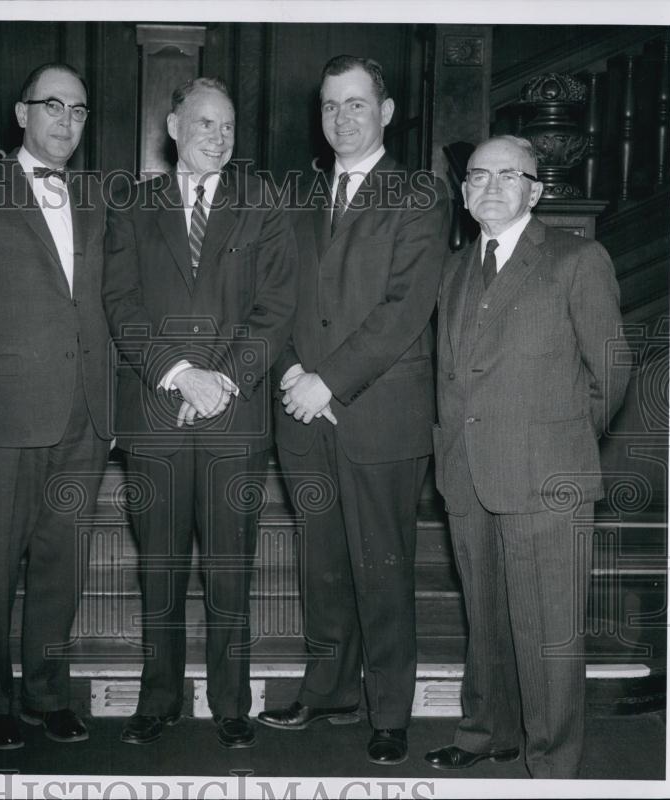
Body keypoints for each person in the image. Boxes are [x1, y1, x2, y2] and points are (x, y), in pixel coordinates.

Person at [259, 55, 449, 767]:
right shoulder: (297, 195)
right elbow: (273, 300)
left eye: (357, 104)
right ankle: (330, 689)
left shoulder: (421, 194)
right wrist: (292, 376)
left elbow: (405, 309)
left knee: (383, 567)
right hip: (303, 412)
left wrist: (329, 381)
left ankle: (389, 710)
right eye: (331, 105)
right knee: (323, 566)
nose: (342, 117)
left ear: (387, 112)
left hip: (378, 411)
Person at [102, 77, 296, 749]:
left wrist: (220, 382)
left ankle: (231, 703)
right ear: (174, 128)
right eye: (206, 124)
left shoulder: (261, 203)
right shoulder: (132, 203)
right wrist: (181, 376)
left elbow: (275, 307)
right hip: (155, 412)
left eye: (230, 127)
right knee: (157, 567)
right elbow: (119, 302)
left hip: (233, 419)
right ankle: (157, 700)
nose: (219, 137)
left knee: (229, 569)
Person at [428, 135, 629, 778]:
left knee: (549, 634)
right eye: (477, 177)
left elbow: (611, 373)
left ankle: (552, 763)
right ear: (463, 193)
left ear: (535, 191)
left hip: (548, 477)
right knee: (485, 623)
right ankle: (488, 733)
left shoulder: (577, 259)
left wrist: (561, 444)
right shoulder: (455, 268)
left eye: (506, 176)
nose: (488, 186)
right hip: (467, 472)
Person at [0, 62, 112, 750]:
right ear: (22, 115)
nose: (66, 121)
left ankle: (47, 693)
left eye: (78, 110)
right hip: (5, 408)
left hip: (85, 412)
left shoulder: (100, 196)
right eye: (53, 106)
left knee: (62, 560)